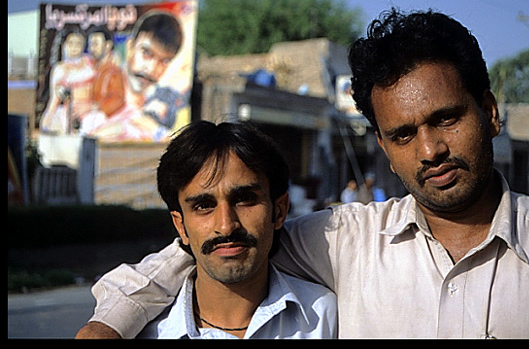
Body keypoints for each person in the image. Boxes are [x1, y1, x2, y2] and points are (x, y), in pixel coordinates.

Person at [76, 8, 529, 339]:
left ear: (491, 111)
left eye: (446, 119)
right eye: (402, 134)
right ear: (383, 147)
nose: (430, 150)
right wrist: (111, 323)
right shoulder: (347, 243)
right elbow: (221, 242)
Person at [77, 121, 337, 339]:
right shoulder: (145, 332)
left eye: (245, 200)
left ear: (279, 211)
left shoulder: (325, 318)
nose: (226, 225)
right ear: (181, 225)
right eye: (203, 206)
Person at [86, 10, 186, 141]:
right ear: (130, 47)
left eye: (164, 61)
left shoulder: (159, 102)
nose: (151, 69)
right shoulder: (103, 80)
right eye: (146, 53)